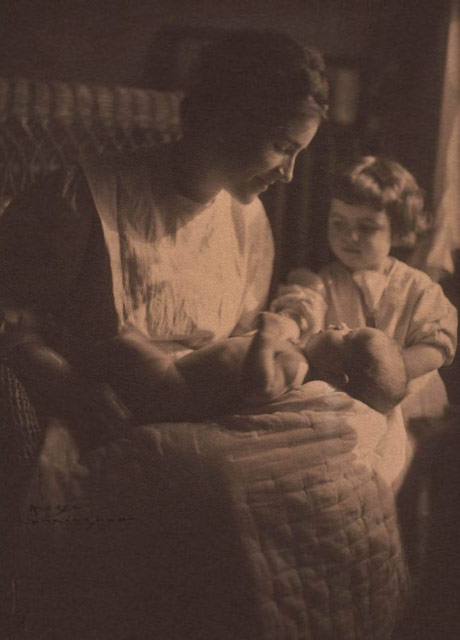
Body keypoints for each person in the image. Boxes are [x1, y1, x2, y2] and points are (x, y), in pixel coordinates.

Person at [0, 29, 329, 451]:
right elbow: (9, 326)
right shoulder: (80, 199)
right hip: (91, 428)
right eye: (282, 147)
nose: (289, 174)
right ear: (227, 119)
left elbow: (241, 341)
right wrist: (69, 389)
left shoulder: (248, 221)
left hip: (203, 432)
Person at [270, 156, 457, 415]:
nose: (350, 236)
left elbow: (436, 346)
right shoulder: (322, 284)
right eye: (339, 223)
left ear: (398, 229)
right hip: (345, 401)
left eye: (367, 227)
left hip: (410, 403)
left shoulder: (418, 287)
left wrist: (387, 374)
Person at [101, 312, 408, 421]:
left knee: (121, 342)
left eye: (347, 334)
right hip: (177, 373)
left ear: (333, 374)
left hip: (174, 385)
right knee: (128, 345)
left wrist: (267, 335)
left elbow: (259, 385)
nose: (339, 323)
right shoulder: (295, 352)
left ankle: (70, 373)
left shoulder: (296, 367)